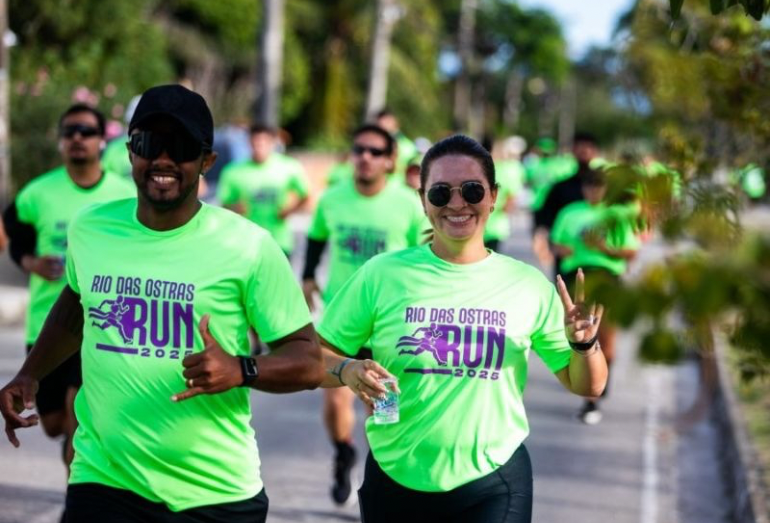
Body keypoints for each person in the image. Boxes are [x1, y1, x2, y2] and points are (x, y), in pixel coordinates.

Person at [0, 84, 324, 523]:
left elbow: (307, 360)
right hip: (104, 479)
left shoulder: (248, 246)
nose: (164, 159)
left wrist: (241, 369)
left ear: (207, 161)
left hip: (214, 493)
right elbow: (77, 302)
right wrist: (30, 374)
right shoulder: (91, 228)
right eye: (151, 143)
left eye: (182, 147)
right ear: (131, 152)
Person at [315, 135, 608, 522]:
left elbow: (588, 385)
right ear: (423, 200)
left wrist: (584, 345)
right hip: (394, 476)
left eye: (471, 190)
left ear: (493, 196)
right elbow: (312, 356)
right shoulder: (382, 274)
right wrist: (347, 369)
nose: (457, 203)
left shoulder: (527, 284)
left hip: (492, 482)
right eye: (440, 193)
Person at [1, 103, 135, 469]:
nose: (78, 138)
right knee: (56, 424)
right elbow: (12, 235)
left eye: (87, 131)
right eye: (70, 131)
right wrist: (31, 263)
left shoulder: (125, 195)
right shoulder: (37, 193)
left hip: (103, 326)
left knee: (79, 415)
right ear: (60, 141)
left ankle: (77, 500)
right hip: (48, 324)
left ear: (102, 142)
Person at [302, 123, 427, 506]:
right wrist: (307, 276)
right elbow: (317, 238)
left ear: (390, 160)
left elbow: (424, 260)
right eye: (359, 150)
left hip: (388, 328)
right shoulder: (333, 198)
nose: (365, 157)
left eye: (375, 151)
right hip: (343, 326)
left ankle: (383, 474)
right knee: (335, 400)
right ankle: (343, 453)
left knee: (382, 409)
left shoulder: (408, 204)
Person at [550, 168, 640, 424]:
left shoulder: (617, 215)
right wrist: (564, 248)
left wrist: (603, 247)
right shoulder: (570, 212)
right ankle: (590, 399)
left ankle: (600, 379)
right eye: (589, 185)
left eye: (599, 186)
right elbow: (556, 244)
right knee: (579, 336)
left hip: (607, 279)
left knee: (608, 340)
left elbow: (631, 252)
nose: (594, 190)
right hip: (577, 278)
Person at [216, 124, 310, 258]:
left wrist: (289, 210)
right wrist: (236, 207)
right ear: (249, 143)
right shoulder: (233, 171)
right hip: (246, 242)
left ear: (273, 143)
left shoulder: (289, 167)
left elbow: (306, 195)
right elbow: (224, 204)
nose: (259, 147)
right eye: (255, 143)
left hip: (279, 241)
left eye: (263, 143)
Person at [533, 132, 602, 278]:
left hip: (599, 260)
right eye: (580, 147)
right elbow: (545, 216)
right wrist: (548, 243)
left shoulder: (607, 187)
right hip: (567, 257)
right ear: (573, 151)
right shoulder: (561, 187)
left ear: (595, 151)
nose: (584, 151)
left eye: (588, 147)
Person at [484, 137, 525, 252]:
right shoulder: (481, 169)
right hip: (484, 228)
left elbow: (511, 198)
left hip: (494, 228)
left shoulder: (506, 170)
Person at [375, 108, 417, 179]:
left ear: (395, 122)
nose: (383, 125)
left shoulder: (408, 147)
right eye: (379, 123)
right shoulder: (372, 145)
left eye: (387, 122)